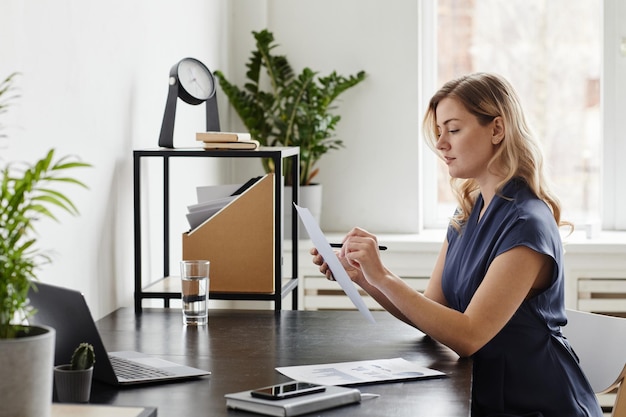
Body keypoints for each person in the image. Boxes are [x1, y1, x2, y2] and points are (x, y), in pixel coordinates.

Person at [310, 72, 603, 417]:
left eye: (453, 129)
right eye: (438, 133)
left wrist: (384, 277)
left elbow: (468, 336)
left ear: (497, 129)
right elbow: (432, 313)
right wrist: (363, 276)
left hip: (537, 405)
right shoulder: (467, 213)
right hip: (480, 395)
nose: (441, 144)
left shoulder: (528, 225)